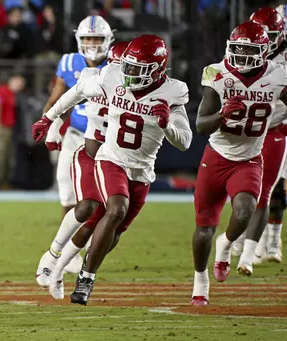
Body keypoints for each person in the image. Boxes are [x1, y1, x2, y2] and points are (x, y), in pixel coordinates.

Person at [33, 34, 192, 305]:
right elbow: (76, 92)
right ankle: (79, 275)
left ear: (157, 69)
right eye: (125, 66)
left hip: (141, 170)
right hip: (107, 158)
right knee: (106, 208)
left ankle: (62, 269)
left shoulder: (172, 91)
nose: (128, 74)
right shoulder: (110, 77)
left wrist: (167, 125)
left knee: (110, 230)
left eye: (136, 69)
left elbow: (185, 142)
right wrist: (49, 119)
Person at [191, 21, 287, 306]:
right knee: (204, 228)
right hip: (217, 156)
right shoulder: (216, 73)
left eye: (250, 50)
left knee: (246, 210)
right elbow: (200, 125)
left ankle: (227, 244)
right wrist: (222, 115)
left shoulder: (277, 74)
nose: (243, 55)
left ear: (263, 52)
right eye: (239, 49)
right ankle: (200, 280)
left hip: (249, 158)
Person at [42, 41, 130, 300]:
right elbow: (65, 98)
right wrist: (51, 123)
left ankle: (68, 262)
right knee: (85, 206)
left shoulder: (152, 89)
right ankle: (56, 259)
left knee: (113, 227)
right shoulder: (92, 77)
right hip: (89, 146)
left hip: (127, 158)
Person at [35, 15, 114, 287]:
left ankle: (81, 249)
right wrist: (53, 124)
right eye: (88, 38)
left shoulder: (119, 65)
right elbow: (57, 98)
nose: (92, 44)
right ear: (79, 40)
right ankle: (69, 251)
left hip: (107, 139)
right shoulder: (69, 62)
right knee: (68, 193)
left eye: (97, 39)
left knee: (102, 201)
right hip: (76, 134)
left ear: (108, 40)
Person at [233, 7, 287, 276]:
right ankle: (241, 239)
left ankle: (271, 242)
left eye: (271, 34)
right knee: (243, 188)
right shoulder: (242, 51)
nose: (265, 39)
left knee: (272, 189)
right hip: (250, 128)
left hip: (280, 126)